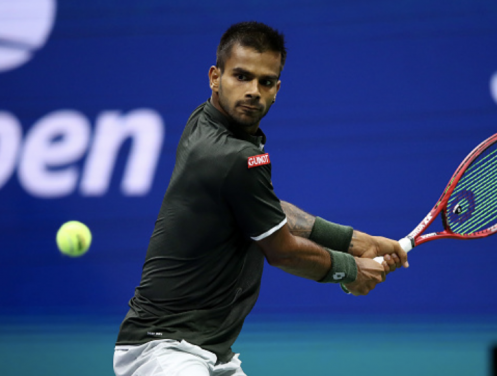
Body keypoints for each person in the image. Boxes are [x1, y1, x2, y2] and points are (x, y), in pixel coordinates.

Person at [113, 21, 408, 376]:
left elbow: (264, 209)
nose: (253, 90)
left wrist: (356, 241)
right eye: (241, 76)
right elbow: (282, 250)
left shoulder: (205, 121)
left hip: (211, 352)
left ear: (277, 89)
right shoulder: (231, 157)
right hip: (163, 350)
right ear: (215, 77)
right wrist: (349, 271)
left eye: (265, 81)